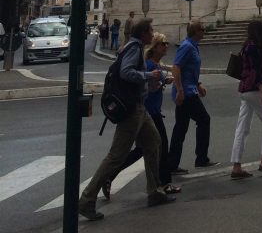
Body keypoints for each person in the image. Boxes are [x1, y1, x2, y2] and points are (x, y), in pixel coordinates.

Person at [78, 18, 174, 220]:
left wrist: (152, 80)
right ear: (144, 33)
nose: (153, 33)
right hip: (132, 110)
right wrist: (148, 75)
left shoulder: (134, 47)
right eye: (151, 30)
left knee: (154, 142)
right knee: (116, 155)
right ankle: (87, 200)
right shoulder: (134, 48)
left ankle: (154, 191)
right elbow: (126, 72)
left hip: (139, 107)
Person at [105, 32, 181, 199]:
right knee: (161, 144)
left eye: (166, 43)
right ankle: (164, 183)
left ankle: (110, 175)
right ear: (155, 47)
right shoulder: (149, 65)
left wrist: (161, 81)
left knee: (142, 149)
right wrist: (159, 81)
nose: (166, 46)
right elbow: (147, 88)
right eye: (163, 43)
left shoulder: (156, 64)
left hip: (151, 111)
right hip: (149, 111)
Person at [230, 19, 262, 179]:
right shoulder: (254, 48)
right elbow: (255, 71)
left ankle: (236, 165)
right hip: (253, 89)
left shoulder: (247, 45)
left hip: (244, 89)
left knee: (242, 127)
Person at [168, 20, 216, 172]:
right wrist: (180, 90)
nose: (204, 31)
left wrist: (198, 84)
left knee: (180, 128)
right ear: (195, 32)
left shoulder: (193, 46)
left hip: (189, 89)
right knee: (204, 119)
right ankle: (201, 158)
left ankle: (172, 164)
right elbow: (176, 67)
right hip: (186, 93)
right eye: (202, 29)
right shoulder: (187, 46)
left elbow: (189, 70)